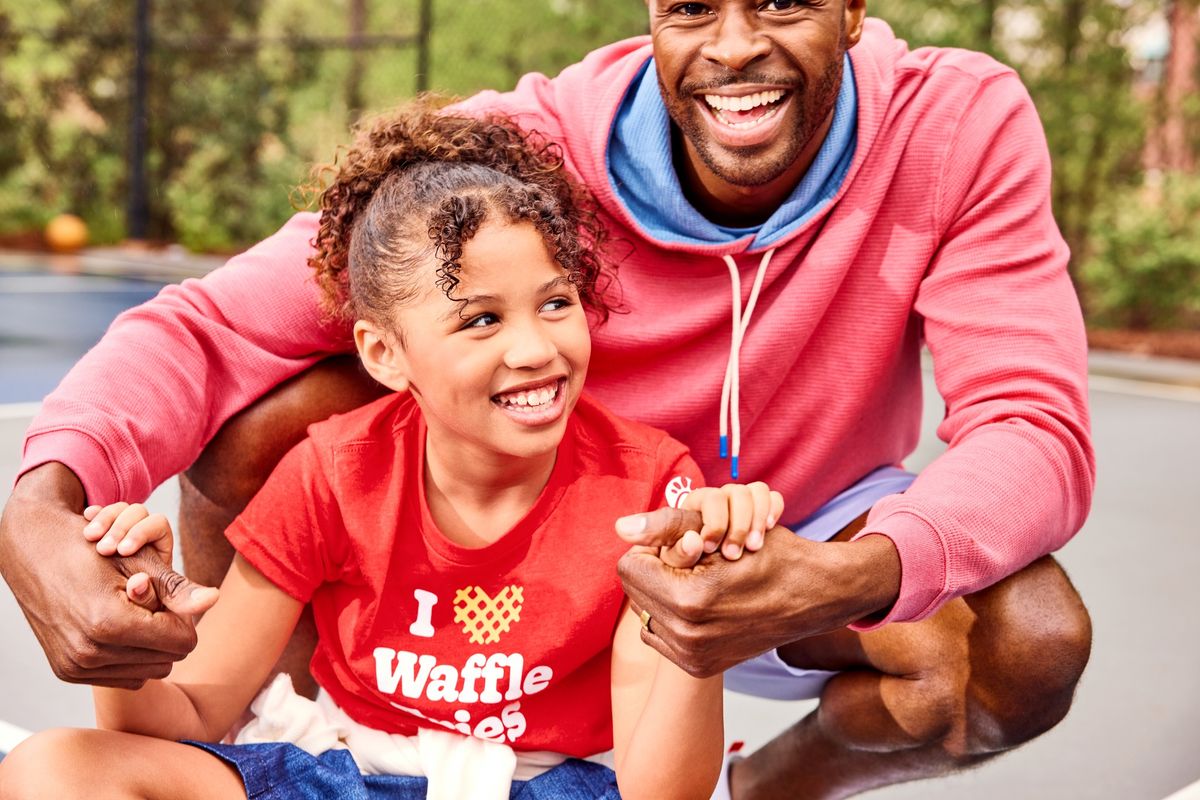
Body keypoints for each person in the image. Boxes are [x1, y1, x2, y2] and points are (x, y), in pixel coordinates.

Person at [0, 2, 1095, 797]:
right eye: (693, 6)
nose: (734, 45)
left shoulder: (954, 123)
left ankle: (769, 793)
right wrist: (40, 507)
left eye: (785, 0)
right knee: (274, 419)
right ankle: (316, 734)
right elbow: (211, 327)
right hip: (540, 529)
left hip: (758, 530)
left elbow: (1032, 426)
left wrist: (854, 568)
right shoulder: (512, 166)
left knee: (1025, 634)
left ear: (855, 10)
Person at [0, 108, 786, 799]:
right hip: (352, 775)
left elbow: (662, 793)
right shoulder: (333, 472)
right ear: (384, 353)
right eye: (481, 320)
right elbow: (194, 712)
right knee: (52, 771)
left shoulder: (650, 490)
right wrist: (137, 633)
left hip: (554, 785)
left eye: (555, 302)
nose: (535, 348)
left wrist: (699, 617)